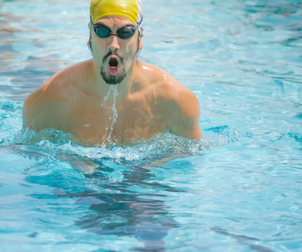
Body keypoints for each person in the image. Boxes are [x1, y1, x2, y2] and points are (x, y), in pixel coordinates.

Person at [23, 0, 202, 146]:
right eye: (102, 31)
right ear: (89, 39)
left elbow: (191, 166)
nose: (113, 44)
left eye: (125, 32)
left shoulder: (175, 101)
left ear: (140, 40)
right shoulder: (47, 101)